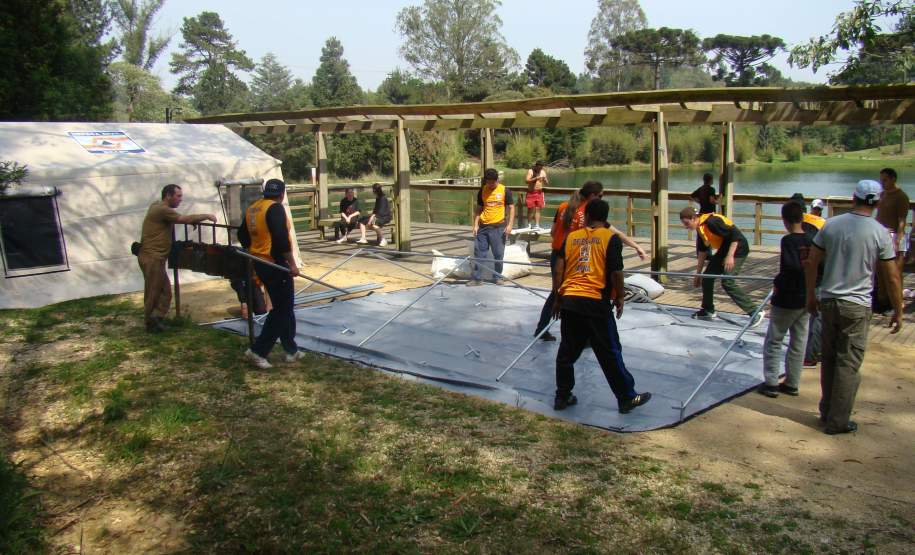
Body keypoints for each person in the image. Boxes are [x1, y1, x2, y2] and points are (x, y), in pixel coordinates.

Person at [804, 179, 903, 435]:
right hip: (857, 305)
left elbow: (812, 261)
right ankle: (838, 421)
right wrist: (898, 309)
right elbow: (892, 276)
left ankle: (826, 411)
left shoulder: (831, 225)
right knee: (848, 362)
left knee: (829, 359)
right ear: (878, 201)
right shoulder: (879, 232)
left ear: (853, 197)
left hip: (828, 301)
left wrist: (811, 295)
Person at [551, 199, 652, 414]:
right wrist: (620, 297)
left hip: (570, 300)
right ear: (606, 219)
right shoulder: (610, 238)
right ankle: (626, 397)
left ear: (586, 215)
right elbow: (616, 271)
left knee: (567, 352)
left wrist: (558, 297)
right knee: (610, 351)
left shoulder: (571, 237)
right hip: (595, 302)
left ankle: (562, 396)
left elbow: (558, 269)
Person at [533, 181, 646, 341]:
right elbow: (614, 233)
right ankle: (582, 335)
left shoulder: (563, 207)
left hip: (557, 253)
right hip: (574, 257)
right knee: (583, 293)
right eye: (600, 196)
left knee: (557, 293)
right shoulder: (589, 211)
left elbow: (553, 232)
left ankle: (542, 328)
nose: (601, 199)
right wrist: (636, 246)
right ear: (593, 196)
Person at [238, 179, 306, 369]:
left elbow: (242, 235)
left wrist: (253, 250)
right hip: (275, 264)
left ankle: (290, 349)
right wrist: (292, 264)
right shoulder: (275, 208)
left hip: (260, 262)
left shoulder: (254, 207)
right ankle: (258, 351)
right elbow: (281, 238)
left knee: (285, 306)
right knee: (281, 309)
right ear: (282, 194)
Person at [137, 184, 216, 333]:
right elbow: (182, 218)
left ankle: (156, 319)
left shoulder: (157, 206)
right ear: (168, 195)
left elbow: (176, 220)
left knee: (165, 291)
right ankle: (150, 323)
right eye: (178, 196)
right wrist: (205, 216)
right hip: (152, 257)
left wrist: (191, 221)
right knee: (153, 291)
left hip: (156, 257)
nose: (180, 199)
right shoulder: (161, 209)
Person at [759, 202, 813, 398]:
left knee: (774, 340)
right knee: (799, 341)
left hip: (788, 297)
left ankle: (772, 383)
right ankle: (792, 382)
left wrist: (777, 282)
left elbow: (790, 267)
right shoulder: (811, 238)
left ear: (785, 220)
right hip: (806, 295)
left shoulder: (789, 241)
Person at [679, 206, 763, 326]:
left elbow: (736, 235)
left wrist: (730, 256)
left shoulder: (712, 222)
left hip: (738, 249)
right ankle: (708, 310)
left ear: (693, 218)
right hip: (724, 249)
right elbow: (702, 252)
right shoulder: (700, 228)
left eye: (686, 223)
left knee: (727, 281)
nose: (685, 226)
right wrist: (698, 275)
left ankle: (755, 311)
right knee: (707, 277)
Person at [469, 168, 515, 286]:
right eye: (488, 182)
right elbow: (479, 208)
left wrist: (510, 225)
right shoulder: (482, 191)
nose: (490, 184)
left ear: (497, 180)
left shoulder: (505, 190)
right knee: (479, 253)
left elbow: (511, 207)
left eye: (492, 182)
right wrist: (475, 225)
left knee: (498, 254)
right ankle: (477, 278)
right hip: (483, 227)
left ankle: (497, 277)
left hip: (498, 227)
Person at [874, 168, 909, 311]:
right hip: (880, 235)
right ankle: (882, 301)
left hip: (894, 236)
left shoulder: (901, 197)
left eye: (885, 180)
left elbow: (902, 220)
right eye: (881, 180)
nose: (882, 183)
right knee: (879, 271)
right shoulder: (881, 195)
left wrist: (898, 240)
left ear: (893, 179)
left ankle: (896, 303)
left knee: (894, 272)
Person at [525, 160, 548, 230]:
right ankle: (529, 225)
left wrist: (544, 179)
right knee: (530, 209)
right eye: (538, 167)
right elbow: (526, 181)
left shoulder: (543, 172)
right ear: (536, 166)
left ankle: (537, 225)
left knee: (538, 209)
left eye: (541, 167)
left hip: (539, 193)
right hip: (531, 192)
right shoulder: (531, 171)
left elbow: (547, 183)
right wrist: (535, 178)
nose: (539, 169)